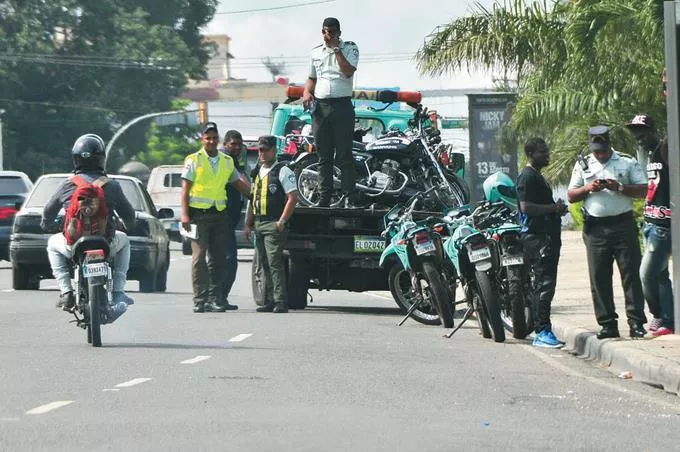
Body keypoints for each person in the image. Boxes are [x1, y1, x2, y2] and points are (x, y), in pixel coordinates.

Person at [42, 134, 136, 318]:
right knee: (125, 241)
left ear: (75, 159)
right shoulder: (112, 186)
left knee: (52, 245)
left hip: (74, 243)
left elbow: (48, 211)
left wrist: (46, 224)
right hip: (105, 242)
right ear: (102, 158)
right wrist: (129, 225)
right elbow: (129, 214)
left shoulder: (68, 185)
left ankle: (66, 292)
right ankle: (118, 291)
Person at [567, 125, 648, 339]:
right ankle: (607, 324)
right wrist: (589, 188)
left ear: (609, 144)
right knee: (599, 277)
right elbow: (571, 194)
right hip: (595, 229)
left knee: (631, 275)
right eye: (596, 150)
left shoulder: (626, 161)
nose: (600, 154)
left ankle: (637, 323)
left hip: (623, 226)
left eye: (602, 149)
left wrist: (619, 187)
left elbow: (643, 190)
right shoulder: (582, 164)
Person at [181, 122, 251, 313]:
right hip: (198, 216)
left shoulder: (226, 161)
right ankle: (199, 299)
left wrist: (258, 198)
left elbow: (239, 184)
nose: (211, 141)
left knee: (219, 259)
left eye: (214, 137)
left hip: (219, 215)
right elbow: (185, 189)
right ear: (202, 140)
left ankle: (214, 298)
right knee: (199, 258)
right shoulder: (193, 160)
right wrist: (185, 214)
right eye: (207, 138)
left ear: (218, 139)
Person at [516, 138, 569, 348]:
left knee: (547, 284)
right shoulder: (527, 177)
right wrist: (552, 209)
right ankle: (542, 332)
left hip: (547, 237)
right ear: (531, 153)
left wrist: (556, 208)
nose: (547, 155)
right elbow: (526, 207)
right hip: (538, 239)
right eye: (542, 152)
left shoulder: (536, 176)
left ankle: (544, 328)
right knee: (544, 286)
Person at [302, 17, 359, 207]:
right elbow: (312, 77)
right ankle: (324, 197)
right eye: (325, 32)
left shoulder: (350, 48)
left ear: (339, 33)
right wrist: (306, 92)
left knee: (344, 154)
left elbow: (348, 71)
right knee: (323, 155)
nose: (328, 36)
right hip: (321, 107)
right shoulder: (315, 52)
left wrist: (336, 50)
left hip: (341, 105)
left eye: (332, 32)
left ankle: (349, 196)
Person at [244, 136, 298, 313]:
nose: (262, 153)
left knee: (275, 263)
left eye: (266, 149)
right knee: (263, 263)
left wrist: (282, 221)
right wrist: (248, 223)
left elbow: (292, 197)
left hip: (273, 223)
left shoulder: (282, 171)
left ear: (274, 150)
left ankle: (280, 301)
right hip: (259, 222)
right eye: (260, 150)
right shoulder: (257, 171)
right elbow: (252, 200)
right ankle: (268, 300)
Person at [637, 134, 674, 336]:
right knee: (660, 276)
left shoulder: (663, 147)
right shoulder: (649, 153)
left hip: (662, 225)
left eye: (643, 131)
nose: (639, 136)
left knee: (646, 273)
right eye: (635, 131)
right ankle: (668, 319)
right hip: (650, 222)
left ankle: (659, 314)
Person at [220, 130, 248, 309]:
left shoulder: (235, 161)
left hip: (229, 219)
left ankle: (219, 298)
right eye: (233, 144)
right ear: (225, 144)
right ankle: (216, 298)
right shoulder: (224, 162)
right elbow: (242, 187)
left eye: (239, 144)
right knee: (228, 260)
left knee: (226, 260)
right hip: (219, 218)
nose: (237, 147)